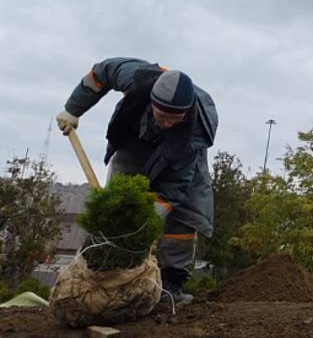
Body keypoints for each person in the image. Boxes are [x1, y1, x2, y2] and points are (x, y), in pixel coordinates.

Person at [56, 58, 218, 305]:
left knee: (185, 214)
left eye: (174, 118)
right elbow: (100, 73)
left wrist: (146, 223)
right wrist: (73, 109)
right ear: (152, 101)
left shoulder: (193, 134)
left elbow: (173, 190)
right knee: (120, 202)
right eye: (163, 115)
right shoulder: (135, 77)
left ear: (184, 114)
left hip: (180, 153)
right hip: (135, 135)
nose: (167, 123)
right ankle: (108, 274)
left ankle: (170, 284)